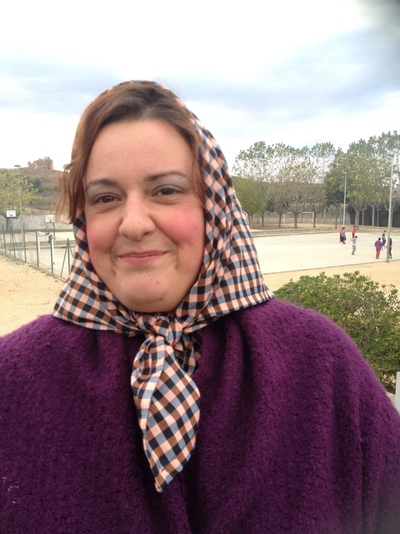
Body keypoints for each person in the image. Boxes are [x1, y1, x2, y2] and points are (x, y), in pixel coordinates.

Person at [1, 81, 400, 533]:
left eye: (167, 191)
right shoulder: (12, 379)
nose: (133, 224)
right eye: (106, 198)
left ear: (214, 208)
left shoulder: (321, 365)